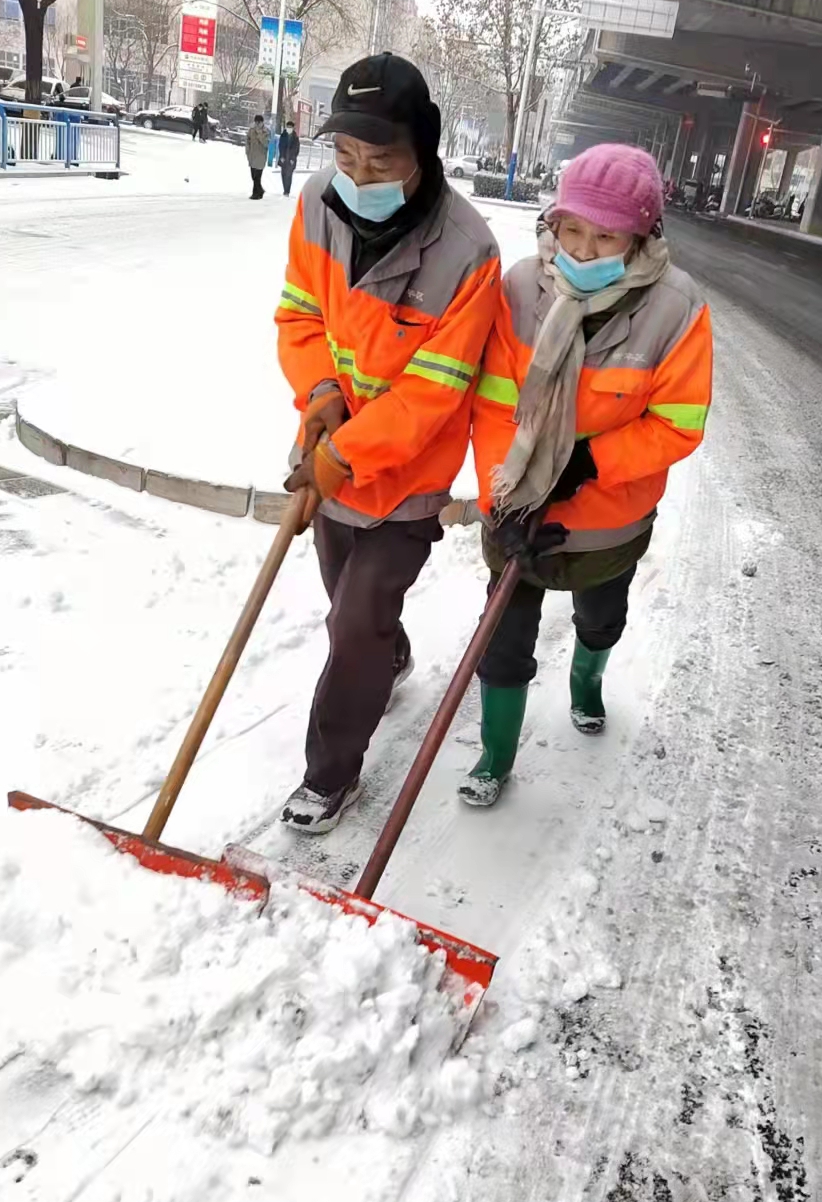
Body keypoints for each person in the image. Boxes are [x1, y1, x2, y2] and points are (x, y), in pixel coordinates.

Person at [274, 52, 502, 832]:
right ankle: (388, 653)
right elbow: (299, 317)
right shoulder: (315, 207)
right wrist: (322, 395)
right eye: (344, 155)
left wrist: (347, 454)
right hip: (328, 448)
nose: (359, 173)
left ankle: (329, 774)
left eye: (382, 159)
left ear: (424, 152)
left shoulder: (467, 250)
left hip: (405, 476)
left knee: (354, 621)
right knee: (353, 607)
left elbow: (435, 389)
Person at [461, 142, 713, 808]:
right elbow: (490, 403)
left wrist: (588, 462)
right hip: (518, 512)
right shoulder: (518, 287)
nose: (582, 247)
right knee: (502, 639)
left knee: (600, 617)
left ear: (641, 235)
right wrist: (504, 496)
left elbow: (678, 423)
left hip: (607, 520)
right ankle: (495, 756)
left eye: (605, 235)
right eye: (571, 227)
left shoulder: (675, 310)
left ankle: (587, 681)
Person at [246, 113, 270, 198]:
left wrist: (260, 134)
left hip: (261, 156)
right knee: (253, 176)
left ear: (262, 122)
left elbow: (266, 144)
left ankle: (255, 193)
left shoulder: (266, 131)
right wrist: (247, 152)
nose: (257, 124)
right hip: (252, 156)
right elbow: (247, 141)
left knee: (257, 177)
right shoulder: (251, 130)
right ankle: (260, 191)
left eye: (259, 122)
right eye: (256, 122)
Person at [277, 119, 300, 195]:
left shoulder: (295, 137)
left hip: (291, 159)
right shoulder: (283, 135)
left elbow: (297, 149)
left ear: (293, 128)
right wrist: (281, 156)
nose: (289, 128)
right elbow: (280, 146)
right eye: (288, 127)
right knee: (283, 174)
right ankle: (285, 189)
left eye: (290, 127)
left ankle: (287, 191)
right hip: (283, 158)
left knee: (289, 175)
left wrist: (293, 158)